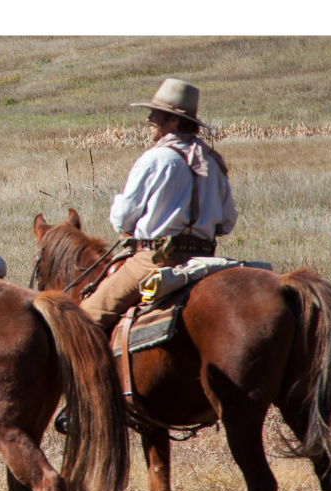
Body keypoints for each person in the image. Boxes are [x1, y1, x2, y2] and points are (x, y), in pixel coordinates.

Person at [80, 78, 237, 329]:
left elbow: (122, 219)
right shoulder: (213, 161)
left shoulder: (155, 158)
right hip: (205, 258)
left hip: (153, 260)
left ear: (173, 121)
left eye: (156, 113)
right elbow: (227, 223)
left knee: (83, 320)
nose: (149, 118)